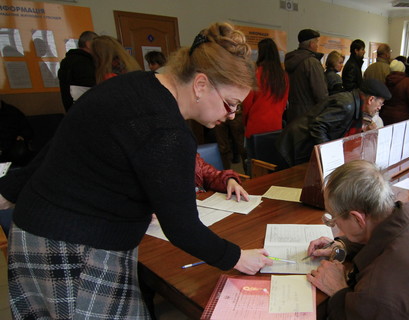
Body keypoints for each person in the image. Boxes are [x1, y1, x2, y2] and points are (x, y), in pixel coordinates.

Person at [0, 22, 273, 319]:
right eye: (230, 104)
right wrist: (236, 257)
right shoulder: (167, 130)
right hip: (72, 248)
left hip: (37, 232)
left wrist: (9, 190)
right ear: (201, 85)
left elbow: (66, 142)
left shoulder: (132, 85)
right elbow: (182, 229)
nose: (231, 115)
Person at [306, 160, 409, 319]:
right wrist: (342, 245)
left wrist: (338, 289)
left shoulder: (375, 295)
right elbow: (382, 237)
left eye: (333, 218)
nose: (334, 224)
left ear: (358, 219)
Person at [275, 79, 391, 167]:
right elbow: (318, 126)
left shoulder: (355, 104)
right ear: (371, 99)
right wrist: (329, 156)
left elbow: (338, 128)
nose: (379, 108)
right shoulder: (346, 105)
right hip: (294, 148)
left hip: (301, 148)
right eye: (380, 103)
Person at [242, 38, 289, 140]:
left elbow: (247, 103)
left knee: (254, 156)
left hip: (255, 125)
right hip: (276, 125)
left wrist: (245, 121)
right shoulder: (283, 76)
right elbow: (284, 103)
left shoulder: (256, 73)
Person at [284, 29, 328, 124]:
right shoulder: (311, 63)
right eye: (317, 42)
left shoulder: (290, 60)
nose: (317, 45)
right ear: (311, 44)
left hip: (292, 113)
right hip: (309, 116)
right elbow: (320, 94)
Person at [57, 30, 97, 112]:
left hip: (71, 108)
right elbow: (90, 87)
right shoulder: (84, 62)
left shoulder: (67, 60)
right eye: (96, 44)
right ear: (88, 44)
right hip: (85, 108)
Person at [380, 60, 409, 125]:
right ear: (403, 69)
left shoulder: (386, 81)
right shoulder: (408, 82)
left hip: (386, 116)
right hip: (403, 117)